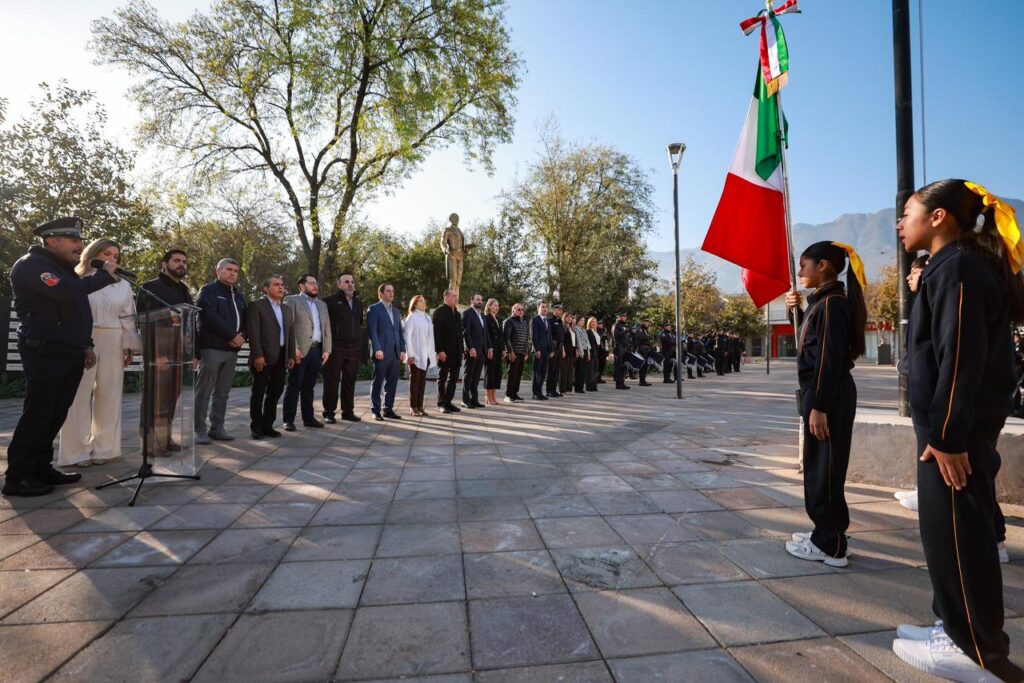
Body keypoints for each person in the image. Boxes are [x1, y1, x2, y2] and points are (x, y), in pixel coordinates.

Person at [890, 180, 1024, 682]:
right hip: (948, 424)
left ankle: (974, 652)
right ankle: (953, 625)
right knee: (946, 533)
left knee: (958, 534)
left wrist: (946, 437)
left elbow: (960, 357)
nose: (901, 223)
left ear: (939, 217)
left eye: (908, 212)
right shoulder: (952, 267)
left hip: (953, 430)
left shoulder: (962, 268)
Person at [4, 217, 119, 497]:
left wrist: (87, 344)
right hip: (45, 348)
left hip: (69, 349)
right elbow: (67, 293)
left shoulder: (62, 269)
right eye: (74, 240)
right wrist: (104, 276)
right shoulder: (32, 265)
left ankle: (41, 467)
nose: (80, 246)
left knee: (56, 412)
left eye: (80, 240)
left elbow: (77, 312)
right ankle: (17, 476)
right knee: (39, 412)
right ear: (52, 240)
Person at [784, 240, 867, 571]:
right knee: (821, 466)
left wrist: (818, 405)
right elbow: (815, 343)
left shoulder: (833, 304)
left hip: (827, 396)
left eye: (805, 265)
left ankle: (830, 545)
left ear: (824, 267)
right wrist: (798, 311)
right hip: (824, 394)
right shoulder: (824, 303)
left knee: (825, 470)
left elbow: (827, 360)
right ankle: (827, 533)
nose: (801, 272)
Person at [58, 239, 141, 468]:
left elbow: (128, 317)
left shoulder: (123, 284)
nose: (112, 259)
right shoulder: (77, 277)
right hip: (84, 338)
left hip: (114, 339)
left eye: (116, 256)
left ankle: (105, 448)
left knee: (110, 394)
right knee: (78, 395)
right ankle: (76, 452)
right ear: (93, 254)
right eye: (107, 253)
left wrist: (129, 346)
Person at [137, 249, 194, 454]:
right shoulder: (150, 288)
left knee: (170, 398)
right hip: (158, 352)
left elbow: (189, 322)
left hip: (179, 354)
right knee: (155, 399)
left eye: (184, 262)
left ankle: (165, 439)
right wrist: (155, 353)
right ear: (164, 264)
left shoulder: (185, 290)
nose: (181, 264)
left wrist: (191, 352)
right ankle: (150, 444)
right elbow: (143, 320)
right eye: (177, 260)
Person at [195, 258, 247, 444]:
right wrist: (231, 335)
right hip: (212, 348)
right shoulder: (209, 290)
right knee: (204, 391)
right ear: (218, 270)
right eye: (229, 269)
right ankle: (199, 430)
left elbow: (246, 319)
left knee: (222, 393)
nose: (232, 273)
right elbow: (208, 316)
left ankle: (217, 428)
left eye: (235, 270)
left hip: (232, 351)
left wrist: (243, 337)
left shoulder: (238, 295)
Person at [246, 276, 296, 439]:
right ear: (266, 289)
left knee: (275, 391)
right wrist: (258, 355)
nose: (281, 287)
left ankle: (268, 425)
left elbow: (290, 334)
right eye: (276, 285)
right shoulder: (256, 306)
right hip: (263, 357)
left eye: (282, 285)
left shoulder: (287, 309)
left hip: (281, 357)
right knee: (258, 392)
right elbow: (254, 333)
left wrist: (290, 355)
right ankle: (256, 427)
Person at [282, 275, 332, 431]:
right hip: (299, 350)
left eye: (316, 283)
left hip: (317, 351)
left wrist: (327, 349)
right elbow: (288, 326)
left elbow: (326, 329)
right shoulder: (292, 300)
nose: (315, 286)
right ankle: (288, 420)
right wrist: (293, 347)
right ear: (301, 286)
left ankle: (308, 418)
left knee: (309, 386)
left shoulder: (322, 305)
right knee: (294, 386)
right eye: (311, 283)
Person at [322, 273, 365, 423]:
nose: (350, 284)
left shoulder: (358, 303)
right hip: (336, 348)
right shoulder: (328, 302)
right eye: (346, 282)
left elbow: (359, 324)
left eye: (352, 282)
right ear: (339, 284)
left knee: (349, 381)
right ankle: (329, 412)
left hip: (353, 349)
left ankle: (348, 411)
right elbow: (324, 327)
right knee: (332, 381)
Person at [366, 283, 406, 421]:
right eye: (388, 291)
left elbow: (399, 332)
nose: (392, 293)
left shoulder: (396, 311)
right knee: (378, 381)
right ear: (381, 294)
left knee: (392, 382)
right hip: (381, 352)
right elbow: (372, 331)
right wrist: (377, 348)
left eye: (393, 291)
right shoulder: (373, 309)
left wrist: (402, 349)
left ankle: (388, 409)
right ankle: (375, 410)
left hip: (395, 352)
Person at [404, 295, 437, 417]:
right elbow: (407, 337)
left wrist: (432, 354)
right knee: (414, 382)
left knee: (422, 382)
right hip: (415, 355)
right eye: (421, 301)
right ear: (415, 304)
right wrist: (410, 355)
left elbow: (430, 338)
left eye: (424, 300)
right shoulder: (411, 317)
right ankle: (413, 407)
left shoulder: (427, 318)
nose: (424, 302)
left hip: (426, 355)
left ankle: (420, 406)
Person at [432, 288, 463, 414]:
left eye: (456, 296)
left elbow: (459, 334)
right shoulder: (439, 312)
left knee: (453, 379)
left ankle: (449, 402)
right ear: (446, 297)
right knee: (442, 378)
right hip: (444, 351)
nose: (456, 298)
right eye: (453, 296)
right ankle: (441, 403)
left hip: (456, 352)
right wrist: (439, 351)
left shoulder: (457, 313)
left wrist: (461, 350)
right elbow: (436, 333)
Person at [461, 292, 490, 409]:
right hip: (472, 350)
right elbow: (465, 332)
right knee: (468, 375)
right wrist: (470, 347)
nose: (480, 302)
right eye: (478, 299)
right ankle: (465, 400)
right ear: (472, 301)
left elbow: (485, 333)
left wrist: (489, 348)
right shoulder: (467, 313)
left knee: (477, 376)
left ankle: (474, 399)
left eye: (481, 300)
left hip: (482, 350)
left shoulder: (482, 315)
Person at [503, 303, 529, 402]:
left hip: (522, 352)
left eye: (522, 309)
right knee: (512, 374)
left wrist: (526, 352)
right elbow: (507, 338)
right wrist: (510, 352)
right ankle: (508, 395)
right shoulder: (509, 321)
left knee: (518, 374)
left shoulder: (524, 322)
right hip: (513, 352)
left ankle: (514, 393)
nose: (521, 311)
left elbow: (526, 339)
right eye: (518, 309)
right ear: (513, 310)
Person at [530, 302, 555, 400]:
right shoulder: (534, 320)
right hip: (539, 350)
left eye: (546, 307)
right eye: (542, 307)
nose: (545, 309)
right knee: (537, 372)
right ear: (538, 308)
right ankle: (535, 393)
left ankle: (540, 392)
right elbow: (533, 336)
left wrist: (552, 349)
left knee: (543, 372)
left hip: (546, 351)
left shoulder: (547, 321)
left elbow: (549, 336)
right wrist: (537, 349)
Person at [483, 298, 504, 405]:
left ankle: (493, 396)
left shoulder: (499, 319)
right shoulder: (486, 318)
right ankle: (488, 396)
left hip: (498, 349)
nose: (497, 307)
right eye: (495, 305)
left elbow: (502, 336)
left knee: (497, 373)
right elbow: (486, 336)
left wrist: (503, 349)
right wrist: (488, 349)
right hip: (490, 349)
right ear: (489, 306)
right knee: (489, 373)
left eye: (498, 305)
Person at [546, 303, 566, 397]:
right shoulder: (549, 321)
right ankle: (549, 390)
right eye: (558, 309)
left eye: (561, 310)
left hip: (559, 348)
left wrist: (562, 349)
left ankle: (554, 390)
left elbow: (562, 338)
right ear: (554, 310)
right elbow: (549, 336)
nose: (560, 311)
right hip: (553, 348)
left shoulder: (561, 322)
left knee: (557, 370)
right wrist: (551, 350)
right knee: (551, 370)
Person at [611, 312, 631, 390]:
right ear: (619, 317)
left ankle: (622, 382)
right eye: (623, 316)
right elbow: (615, 335)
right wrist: (625, 331)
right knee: (618, 366)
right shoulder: (615, 325)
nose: (625, 318)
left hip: (624, 347)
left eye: (625, 316)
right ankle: (618, 384)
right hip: (618, 347)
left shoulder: (623, 326)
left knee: (623, 366)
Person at [574, 314, 591, 394]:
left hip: (586, 350)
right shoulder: (576, 329)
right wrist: (581, 352)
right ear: (577, 321)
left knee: (584, 370)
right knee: (579, 370)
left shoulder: (584, 330)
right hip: (581, 352)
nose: (583, 322)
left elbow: (587, 342)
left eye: (584, 321)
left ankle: (581, 387)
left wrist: (588, 352)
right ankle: (578, 388)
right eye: (581, 320)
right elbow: (578, 341)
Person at [634, 319, 654, 386]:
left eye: (648, 322)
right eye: (646, 322)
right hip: (642, 349)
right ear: (642, 322)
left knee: (645, 365)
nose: (647, 323)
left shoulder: (645, 330)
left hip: (646, 349)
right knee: (643, 365)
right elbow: (641, 337)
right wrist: (649, 337)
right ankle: (642, 381)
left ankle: (643, 380)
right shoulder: (640, 329)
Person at [560, 313, 576, 394]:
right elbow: (561, 340)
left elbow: (574, 341)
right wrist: (562, 350)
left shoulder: (572, 328)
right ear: (564, 317)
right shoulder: (563, 327)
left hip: (572, 351)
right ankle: (563, 389)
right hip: (565, 350)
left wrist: (576, 350)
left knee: (570, 371)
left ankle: (569, 388)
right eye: (568, 317)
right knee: (564, 370)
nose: (569, 318)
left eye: (571, 317)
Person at [585, 317, 601, 391]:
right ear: (589, 323)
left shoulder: (596, 332)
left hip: (596, 352)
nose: (594, 323)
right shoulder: (588, 331)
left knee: (595, 369)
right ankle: (589, 386)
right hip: (591, 352)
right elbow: (587, 344)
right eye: (592, 322)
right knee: (590, 370)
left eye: (595, 322)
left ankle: (594, 385)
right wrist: (588, 353)